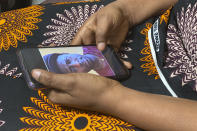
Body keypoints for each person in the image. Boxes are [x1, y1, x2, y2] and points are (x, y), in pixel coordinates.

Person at [30, 0, 197, 130]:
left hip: (163, 106)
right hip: (152, 21)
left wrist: (111, 97)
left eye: (70, 63)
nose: (76, 62)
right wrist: (126, 10)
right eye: (68, 63)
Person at [43, 46, 115, 76]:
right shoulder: (109, 75)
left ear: (66, 53)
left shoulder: (90, 40)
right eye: (73, 69)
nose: (78, 64)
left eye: (68, 60)